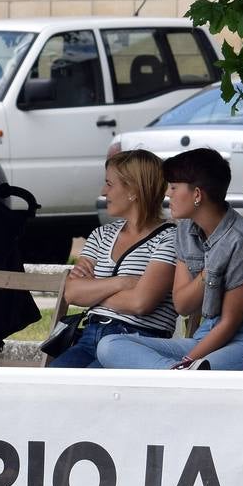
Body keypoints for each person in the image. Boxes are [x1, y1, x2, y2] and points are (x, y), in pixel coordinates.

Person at [97, 147, 243, 370]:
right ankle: (176, 374)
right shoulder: (185, 231)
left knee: (202, 370)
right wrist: (209, 270)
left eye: (174, 187)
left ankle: (180, 374)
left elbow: (229, 323)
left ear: (197, 194)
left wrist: (188, 362)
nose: (168, 193)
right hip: (206, 335)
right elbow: (183, 305)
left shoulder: (242, 241)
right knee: (110, 345)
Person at [48, 149, 177, 368]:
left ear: (133, 190)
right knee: (53, 383)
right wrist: (124, 282)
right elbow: (72, 293)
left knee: (89, 391)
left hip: (136, 342)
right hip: (90, 336)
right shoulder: (102, 234)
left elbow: (140, 303)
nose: (103, 191)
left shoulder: (170, 238)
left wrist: (93, 289)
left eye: (110, 184)